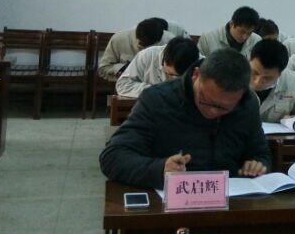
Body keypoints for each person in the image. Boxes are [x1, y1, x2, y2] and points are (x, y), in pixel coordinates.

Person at [99, 49, 271, 189]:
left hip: (231, 199)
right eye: (206, 101)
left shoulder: (247, 105)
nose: (212, 112)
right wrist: (159, 169)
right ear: (196, 75)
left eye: (224, 108)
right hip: (171, 204)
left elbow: (260, 152)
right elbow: (113, 157)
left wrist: (257, 164)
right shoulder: (157, 100)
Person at [249, 39, 295, 122]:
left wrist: (294, 119)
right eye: (255, 73)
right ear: (249, 61)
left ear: (280, 73)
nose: (257, 81)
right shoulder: (234, 76)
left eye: (267, 78)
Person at [115, 37, 200, 98]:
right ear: (164, 58)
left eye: (176, 76)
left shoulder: (200, 62)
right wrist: (156, 90)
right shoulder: (147, 56)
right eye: (168, 73)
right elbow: (122, 85)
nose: (171, 78)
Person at [98, 18, 174, 82]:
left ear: (159, 40)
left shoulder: (169, 41)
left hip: (159, 87)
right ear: (136, 37)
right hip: (127, 85)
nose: (144, 52)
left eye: (150, 49)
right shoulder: (118, 39)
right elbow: (103, 69)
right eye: (141, 47)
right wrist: (123, 69)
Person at [197, 6, 261, 57]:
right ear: (231, 24)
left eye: (249, 33)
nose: (244, 37)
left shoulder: (256, 41)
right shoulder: (208, 38)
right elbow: (199, 63)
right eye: (241, 32)